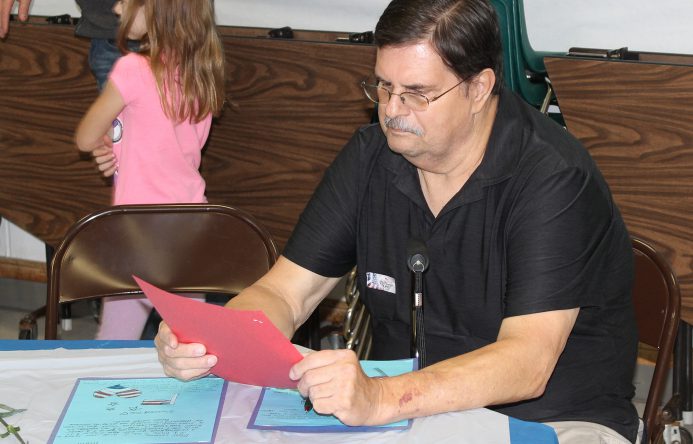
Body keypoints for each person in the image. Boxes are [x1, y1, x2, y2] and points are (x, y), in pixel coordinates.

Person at [161, 0, 636, 442]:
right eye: (384, 86)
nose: (391, 110)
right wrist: (214, 340)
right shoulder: (370, 158)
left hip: (554, 421)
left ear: (479, 87)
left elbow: (528, 362)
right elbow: (286, 291)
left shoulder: (553, 176)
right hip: (413, 412)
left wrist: (382, 398)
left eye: (417, 94)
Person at [75, 0, 225, 339]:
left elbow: (85, 137)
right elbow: (158, 142)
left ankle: (108, 392)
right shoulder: (201, 73)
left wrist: (101, 141)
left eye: (126, 1)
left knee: (115, 341)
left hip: (138, 227)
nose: (116, 9)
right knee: (192, 340)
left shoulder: (132, 69)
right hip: (189, 224)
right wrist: (113, 145)